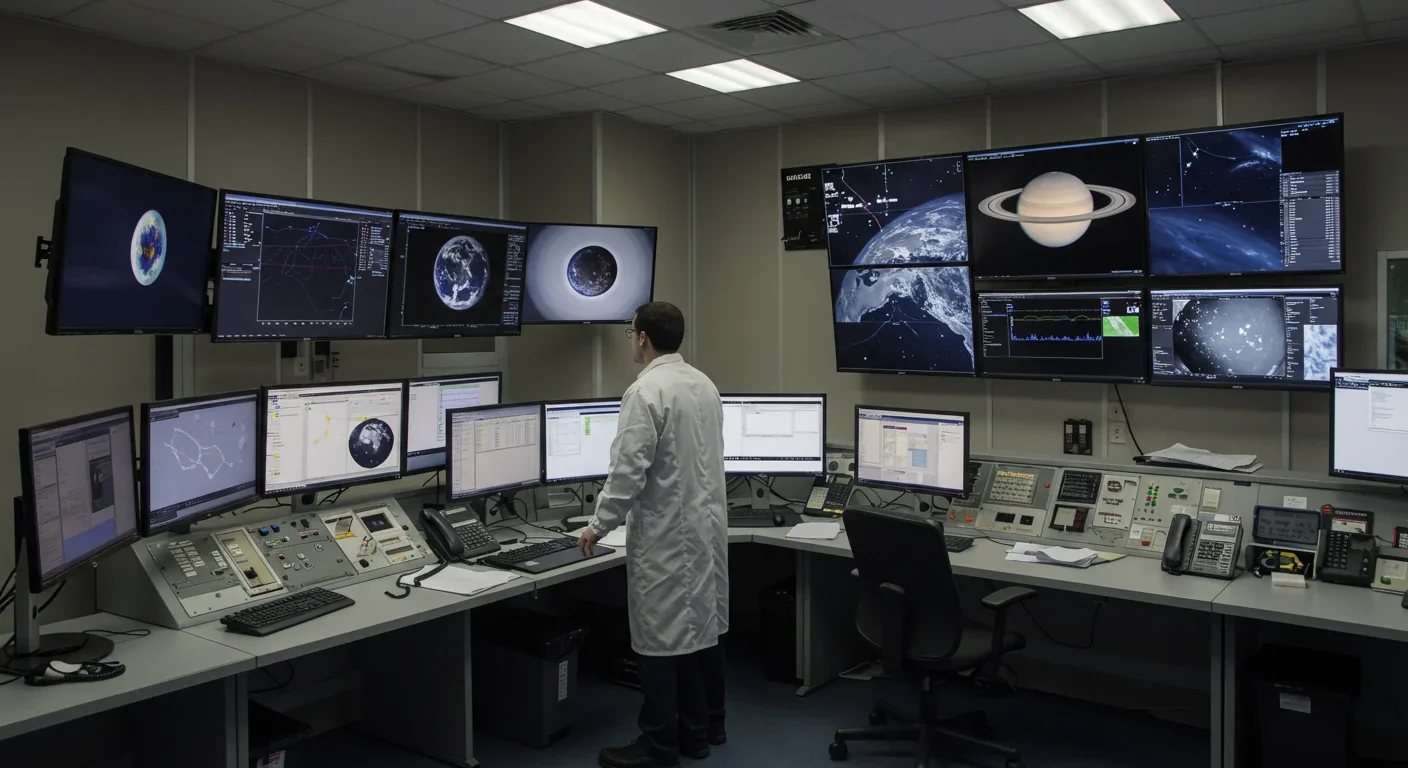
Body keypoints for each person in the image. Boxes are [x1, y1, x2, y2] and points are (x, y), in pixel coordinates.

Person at [578, 301, 729, 768]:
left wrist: (597, 524)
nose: (630, 340)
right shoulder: (703, 384)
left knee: (659, 643)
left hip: (667, 534)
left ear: (641, 336)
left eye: (630, 333)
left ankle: (660, 746)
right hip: (702, 531)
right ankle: (701, 733)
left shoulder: (644, 393)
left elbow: (627, 472)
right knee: (697, 632)